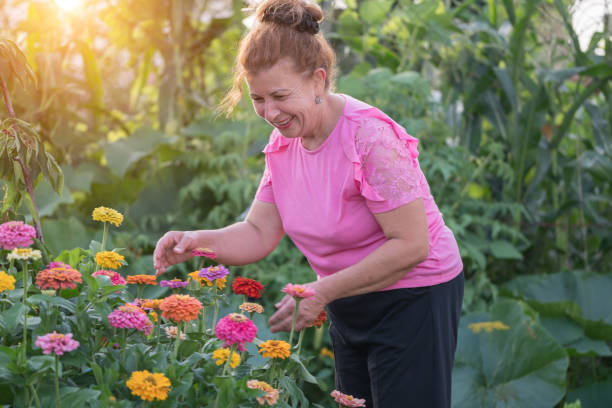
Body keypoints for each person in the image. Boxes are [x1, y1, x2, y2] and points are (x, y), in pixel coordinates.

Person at [153, 0, 464, 406]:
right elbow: (258, 232)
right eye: (258, 99)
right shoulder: (284, 143)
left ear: (318, 81)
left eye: (280, 95)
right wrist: (195, 240)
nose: (270, 112)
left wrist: (321, 291)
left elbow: (412, 245)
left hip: (415, 297)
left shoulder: (369, 139)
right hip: (348, 296)